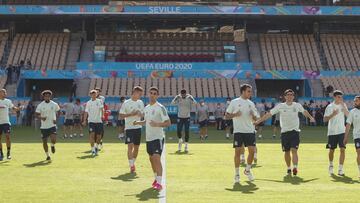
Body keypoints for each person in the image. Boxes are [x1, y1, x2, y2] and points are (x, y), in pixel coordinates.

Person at [255, 89, 315, 176]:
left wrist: (310, 117)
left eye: (291, 95)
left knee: (294, 150)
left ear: (293, 97)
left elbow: (304, 111)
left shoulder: (297, 105)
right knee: (286, 152)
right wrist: (259, 121)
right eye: (288, 95)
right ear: (285, 96)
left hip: (295, 132)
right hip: (284, 132)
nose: (290, 96)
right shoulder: (280, 106)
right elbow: (269, 114)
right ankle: (288, 168)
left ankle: (295, 167)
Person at [133, 87, 171, 191]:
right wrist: (138, 122)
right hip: (148, 139)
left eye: (155, 93)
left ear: (157, 95)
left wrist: (157, 124)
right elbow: (146, 121)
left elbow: (168, 123)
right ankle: (156, 179)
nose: (153, 95)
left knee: (156, 158)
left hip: (157, 138)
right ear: (149, 94)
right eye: (151, 93)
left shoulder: (160, 107)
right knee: (151, 160)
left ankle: (159, 183)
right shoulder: (147, 108)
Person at [226, 84, 259, 182]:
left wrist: (253, 116)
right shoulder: (234, 102)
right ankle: (236, 174)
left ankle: (247, 170)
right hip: (238, 131)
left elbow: (256, 118)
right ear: (243, 91)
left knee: (252, 152)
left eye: (250, 91)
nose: (250, 93)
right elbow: (226, 116)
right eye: (248, 91)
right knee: (237, 152)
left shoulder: (251, 103)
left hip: (250, 130)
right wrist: (235, 114)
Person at [119, 86, 144, 173]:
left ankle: (132, 162)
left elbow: (143, 114)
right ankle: (131, 165)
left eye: (141, 94)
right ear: (134, 92)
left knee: (136, 147)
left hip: (138, 127)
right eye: (139, 94)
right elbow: (121, 116)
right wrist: (131, 114)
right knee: (130, 146)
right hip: (129, 128)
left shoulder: (140, 102)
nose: (140, 95)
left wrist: (140, 114)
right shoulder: (126, 103)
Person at [323, 90, 349, 176]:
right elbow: (325, 119)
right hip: (332, 132)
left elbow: (348, 116)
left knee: (342, 149)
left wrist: (343, 106)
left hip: (342, 131)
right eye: (338, 97)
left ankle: (340, 169)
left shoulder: (343, 105)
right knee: (331, 150)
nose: (340, 99)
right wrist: (333, 114)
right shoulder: (330, 107)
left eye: (341, 97)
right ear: (334, 97)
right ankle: (331, 165)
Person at [35, 90, 60, 161]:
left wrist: (56, 119)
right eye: (45, 96)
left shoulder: (54, 104)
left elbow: (59, 111)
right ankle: (47, 155)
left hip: (52, 125)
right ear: (43, 97)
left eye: (48, 96)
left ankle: (52, 145)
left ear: (50, 96)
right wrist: (41, 117)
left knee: (54, 139)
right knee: (44, 142)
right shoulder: (40, 105)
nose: (47, 97)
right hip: (44, 127)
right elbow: (36, 114)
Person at [0, 89, 20, 161]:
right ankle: (1, 153)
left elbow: (13, 108)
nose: (5, 93)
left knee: (7, 136)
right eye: (3, 92)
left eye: (5, 92)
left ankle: (8, 153)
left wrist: (18, 109)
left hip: (6, 122)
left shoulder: (8, 101)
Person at [82, 90, 104, 156]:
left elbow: (102, 109)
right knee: (92, 135)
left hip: (99, 121)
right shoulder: (88, 103)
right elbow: (86, 112)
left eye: (95, 94)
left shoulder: (99, 101)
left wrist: (102, 115)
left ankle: (96, 147)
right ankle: (93, 150)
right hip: (91, 121)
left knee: (99, 136)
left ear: (96, 94)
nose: (93, 95)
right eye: (92, 94)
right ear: (90, 95)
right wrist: (84, 120)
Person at [344, 96, 360, 178]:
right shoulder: (352, 112)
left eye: (356, 101)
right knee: (359, 152)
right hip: (357, 136)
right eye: (354, 101)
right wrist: (345, 137)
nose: (355, 102)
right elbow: (348, 125)